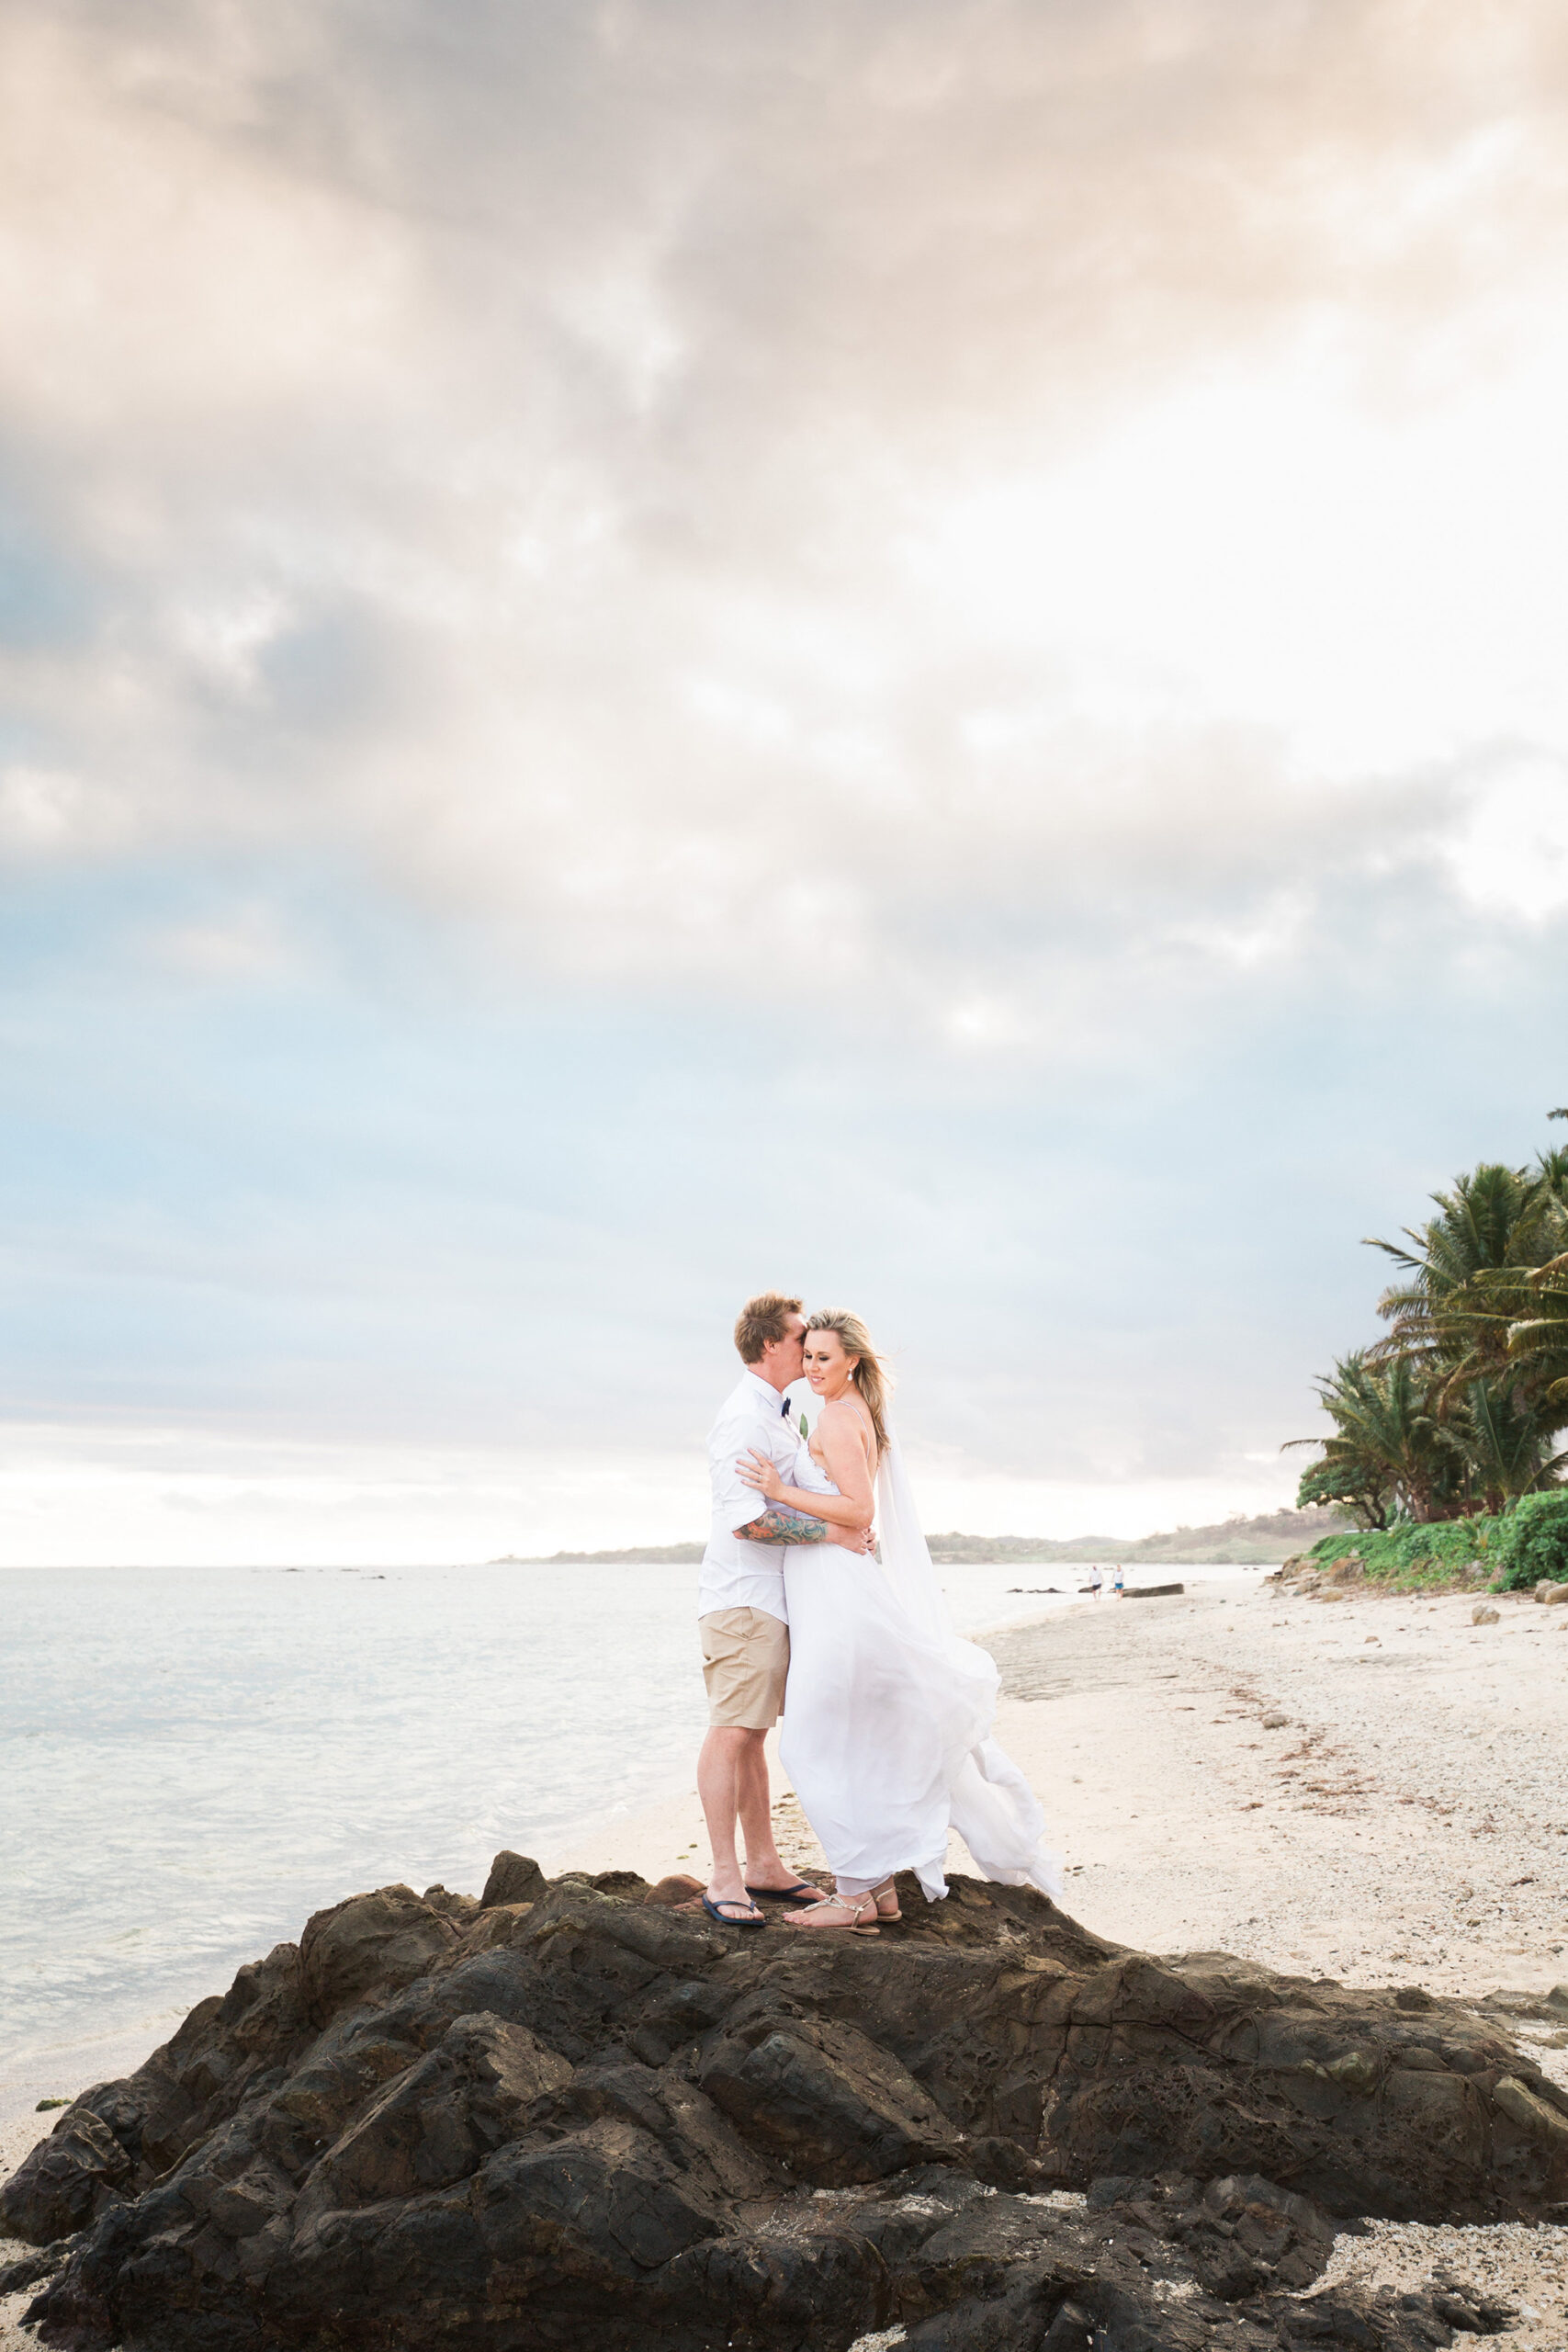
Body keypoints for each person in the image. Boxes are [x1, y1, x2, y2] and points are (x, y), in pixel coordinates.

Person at [737, 1308, 1058, 1933]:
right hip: (830, 1585)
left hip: (836, 1589)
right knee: (849, 1734)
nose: (812, 1369)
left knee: (815, 1742)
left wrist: (779, 1487)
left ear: (852, 1359)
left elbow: (858, 1512)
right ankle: (875, 1888)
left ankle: (857, 1893)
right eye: (807, 1358)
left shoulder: (837, 1415)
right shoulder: (854, 1413)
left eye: (823, 1358)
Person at [695, 1291, 874, 1928]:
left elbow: (800, 1498)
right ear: (771, 1344)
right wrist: (834, 1533)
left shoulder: (779, 1412)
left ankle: (764, 1865)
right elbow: (748, 1522)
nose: (807, 1346)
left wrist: (843, 1524)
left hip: (774, 1600)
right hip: (742, 1599)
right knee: (733, 1730)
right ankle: (724, 1874)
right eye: (800, 1336)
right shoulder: (743, 1418)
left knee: (753, 1736)